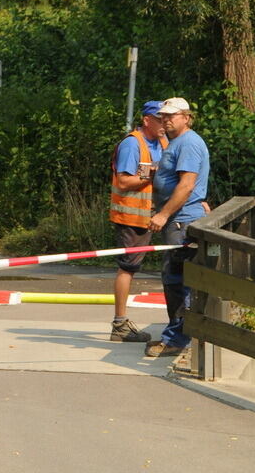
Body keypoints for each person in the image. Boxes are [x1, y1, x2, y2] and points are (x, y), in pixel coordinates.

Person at [145, 97, 210, 358]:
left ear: (186, 117)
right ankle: (176, 335)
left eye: (172, 115)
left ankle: (176, 340)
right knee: (173, 279)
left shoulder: (189, 143)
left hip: (182, 220)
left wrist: (163, 214)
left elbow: (186, 184)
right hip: (179, 217)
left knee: (179, 280)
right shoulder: (177, 143)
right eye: (163, 116)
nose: (166, 119)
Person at [108, 100, 167, 343]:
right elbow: (123, 182)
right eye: (159, 119)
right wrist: (154, 172)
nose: (165, 123)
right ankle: (120, 324)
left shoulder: (163, 142)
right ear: (146, 120)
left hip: (156, 213)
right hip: (132, 216)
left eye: (166, 118)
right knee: (128, 267)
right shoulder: (133, 144)